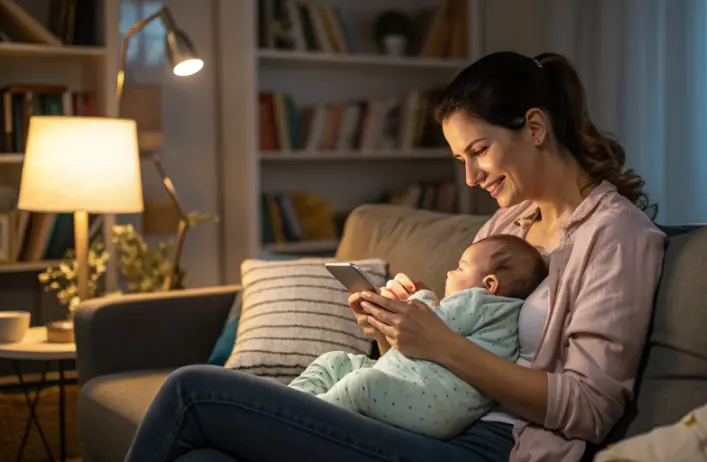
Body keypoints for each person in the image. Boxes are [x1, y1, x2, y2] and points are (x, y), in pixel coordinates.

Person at [124, 51, 666, 462]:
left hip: (493, 446)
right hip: (430, 421)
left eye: (478, 151)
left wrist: (441, 342)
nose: (471, 176)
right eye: (460, 158)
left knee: (191, 390)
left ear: (534, 127)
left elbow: (591, 409)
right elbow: (438, 358)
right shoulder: (510, 222)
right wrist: (392, 331)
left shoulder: (617, 236)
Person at [287, 235, 547, 439]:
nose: (449, 272)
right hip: (423, 391)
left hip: (430, 402)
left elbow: (434, 323)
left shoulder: (480, 301)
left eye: (460, 268)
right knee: (335, 362)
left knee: (361, 384)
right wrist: (387, 325)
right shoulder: (502, 315)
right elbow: (424, 341)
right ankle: (288, 403)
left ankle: (296, 421)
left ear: (489, 284)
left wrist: (420, 299)